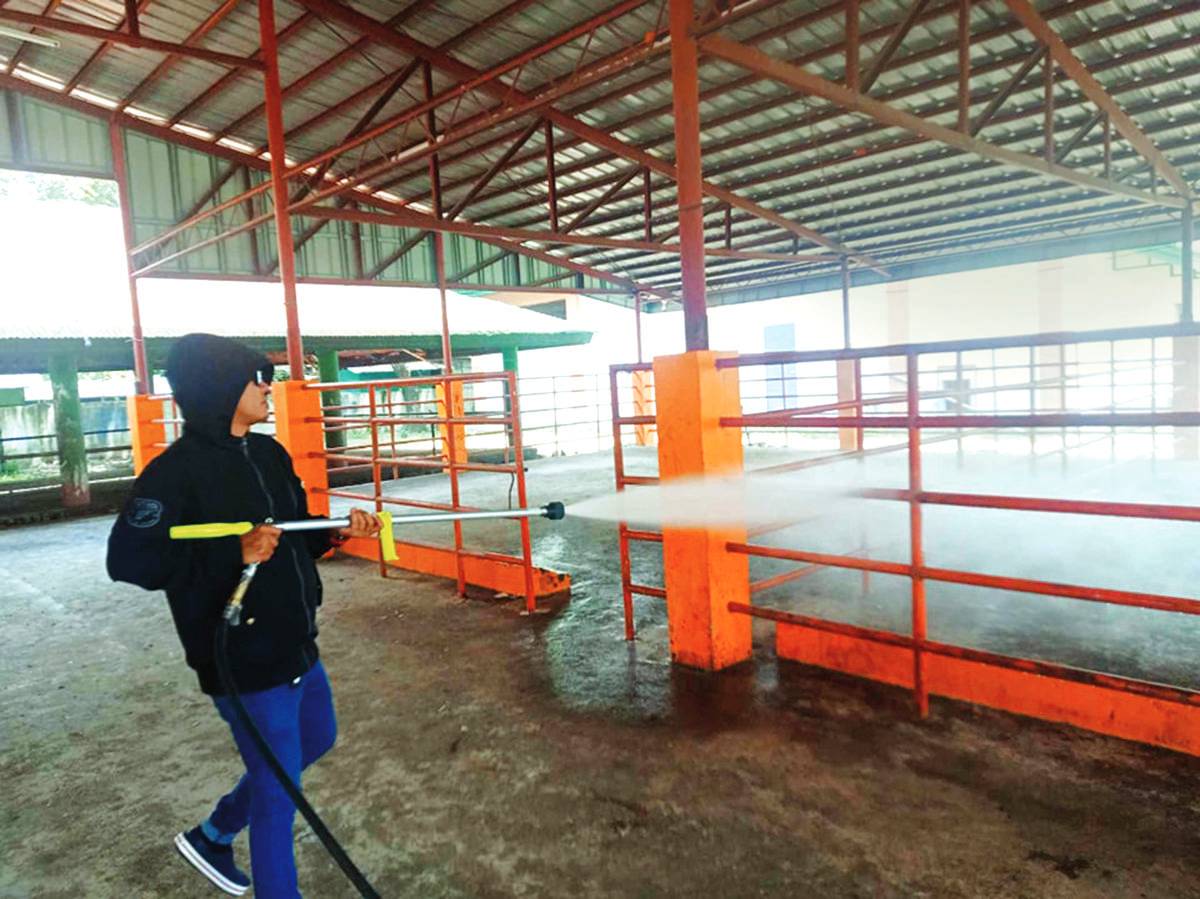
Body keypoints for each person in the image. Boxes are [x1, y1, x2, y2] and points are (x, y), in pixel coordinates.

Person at [107, 333, 381, 898]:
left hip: (296, 641)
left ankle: (214, 833)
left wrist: (336, 531)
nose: (268, 388)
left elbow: (294, 535)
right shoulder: (173, 474)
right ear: (219, 387)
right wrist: (232, 552)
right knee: (279, 797)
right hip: (240, 657)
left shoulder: (268, 454)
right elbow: (128, 561)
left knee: (317, 738)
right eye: (258, 378)